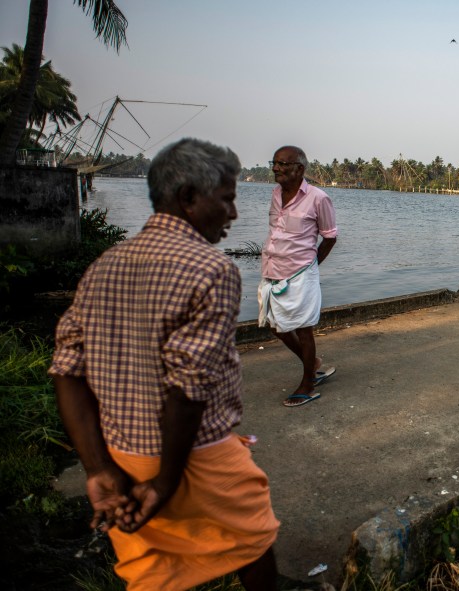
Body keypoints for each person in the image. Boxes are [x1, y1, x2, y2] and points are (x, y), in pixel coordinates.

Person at [50, 138, 280, 590]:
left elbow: (67, 371)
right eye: (228, 199)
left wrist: (98, 468)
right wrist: (165, 483)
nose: (233, 213)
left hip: (121, 454)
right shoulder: (211, 270)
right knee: (252, 545)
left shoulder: (105, 265)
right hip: (196, 456)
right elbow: (188, 389)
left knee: (150, 571)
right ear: (190, 197)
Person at [258, 145, 338, 407]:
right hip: (272, 270)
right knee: (275, 324)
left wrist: (312, 264)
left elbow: (329, 236)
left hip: (300, 273)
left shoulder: (318, 198)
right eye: (275, 162)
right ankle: (312, 363)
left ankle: (308, 383)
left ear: (299, 169)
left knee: (304, 330)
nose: (276, 168)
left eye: (283, 164)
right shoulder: (275, 194)